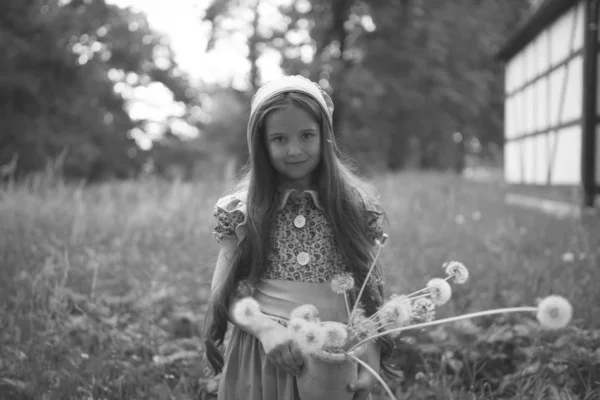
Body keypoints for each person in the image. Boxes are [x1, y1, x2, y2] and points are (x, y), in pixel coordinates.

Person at [205, 75, 396, 400]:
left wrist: (371, 355)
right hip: (264, 355)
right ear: (261, 144)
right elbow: (223, 291)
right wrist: (266, 330)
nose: (294, 150)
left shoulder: (354, 205)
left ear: (326, 135)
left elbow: (369, 289)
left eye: (307, 135)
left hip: (335, 356)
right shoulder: (242, 210)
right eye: (279, 139)